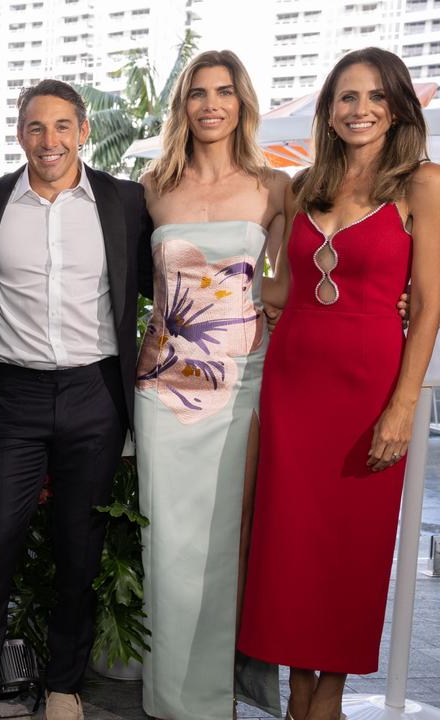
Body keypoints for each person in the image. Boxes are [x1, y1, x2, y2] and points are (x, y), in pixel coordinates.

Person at [239, 47, 440, 720]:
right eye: (346, 97)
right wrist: (203, 281)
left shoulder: (422, 183)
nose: (359, 110)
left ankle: (329, 691)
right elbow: (282, 290)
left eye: (375, 98)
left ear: (398, 109)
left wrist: (404, 405)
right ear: (329, 110)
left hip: (368, 392)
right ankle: (300, 692)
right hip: (293, 386)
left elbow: (431, 303)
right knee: (290, 547)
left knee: (350, 551)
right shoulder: (301, 186)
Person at [0, 79, 153, 720]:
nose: (50, 140)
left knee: (79, 544)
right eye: (36, 127)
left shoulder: (124, 202)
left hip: (95, 393)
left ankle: (65, 684)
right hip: (15, 397)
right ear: (19, 134)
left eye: (62, 126)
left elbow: (166, 279)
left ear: (84, 130)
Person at [133, 50, 284, 720]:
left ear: (242, 101)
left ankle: (216, 700)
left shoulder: (275, 186)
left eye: (224, 92)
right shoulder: (151, 184)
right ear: (183, 106)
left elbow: (317, 264)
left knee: (228, 542)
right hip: (163, 389)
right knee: (166, 542)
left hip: (242, 388)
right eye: (198, 93)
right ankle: (169, 701)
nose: (211, 104)